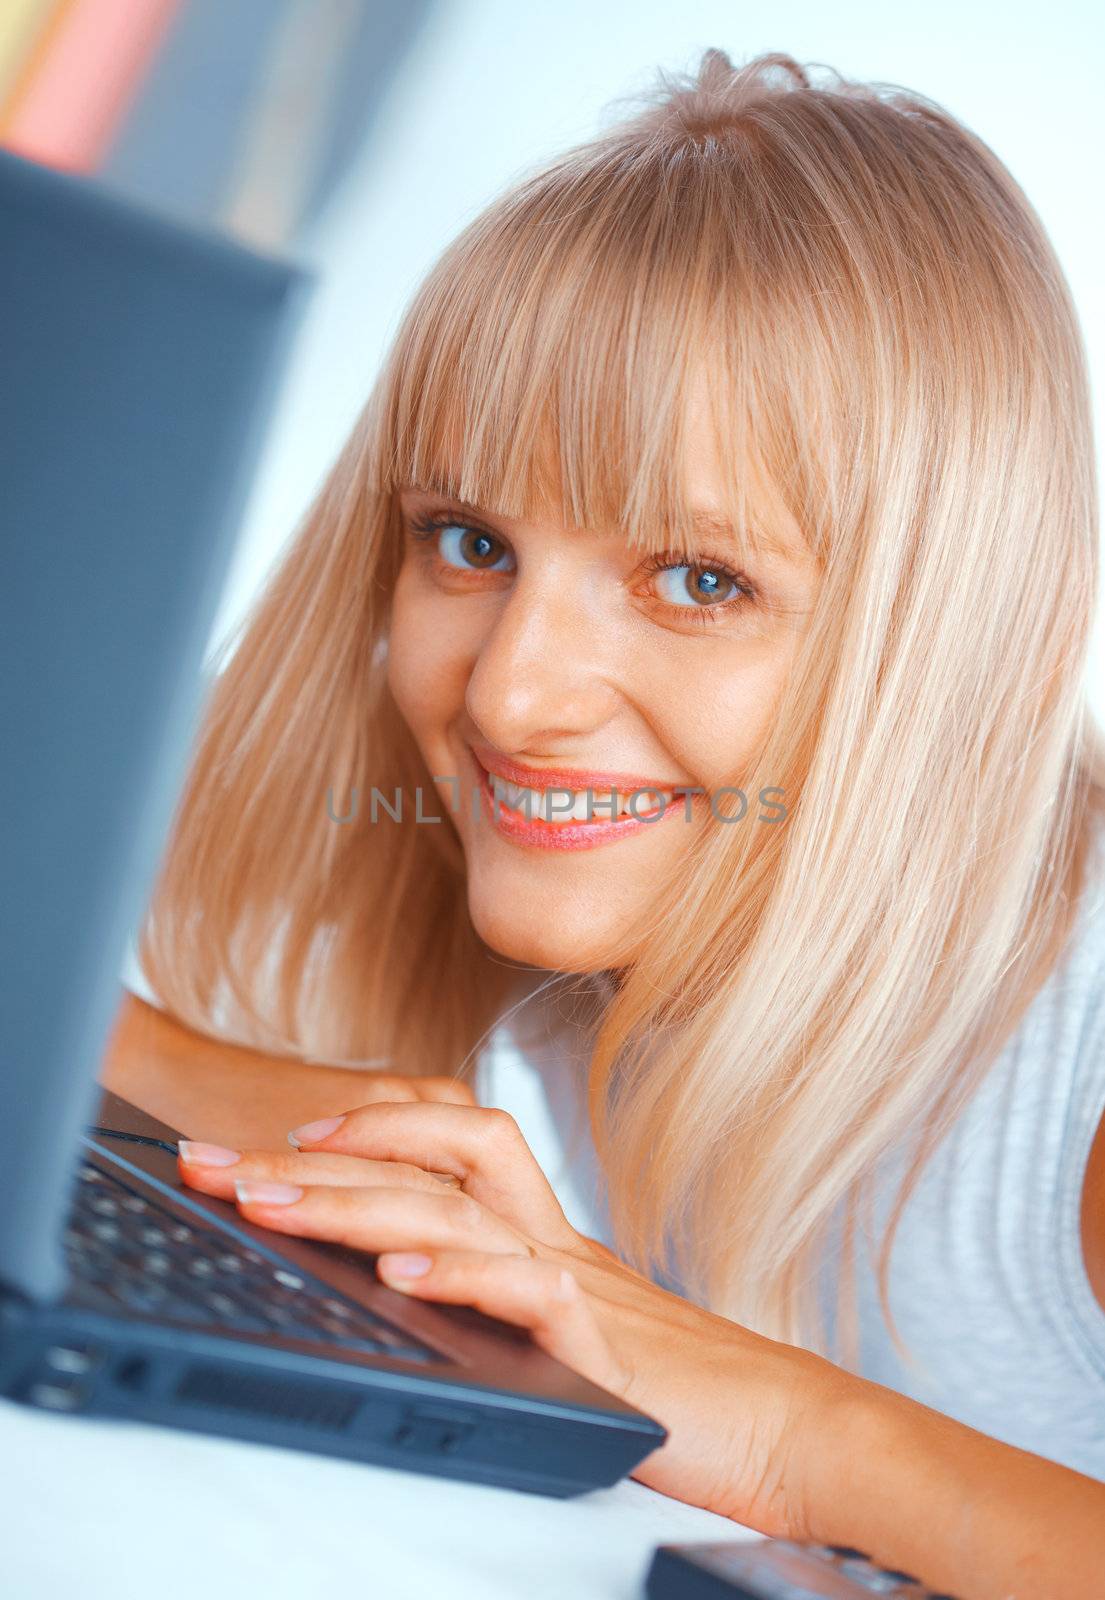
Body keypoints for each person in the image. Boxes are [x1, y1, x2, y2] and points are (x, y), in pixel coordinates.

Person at [102, 47, 1105, 1599]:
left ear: (956, 637)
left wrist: (793, 1437)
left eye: (699, 580)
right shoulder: (625, 917)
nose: (512, 696)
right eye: (467, 539)